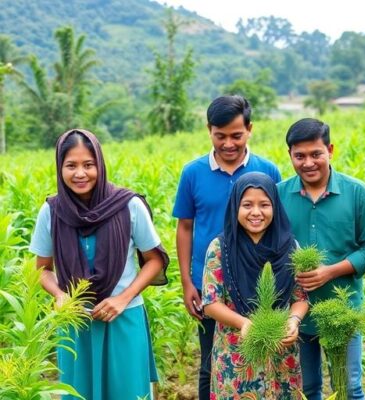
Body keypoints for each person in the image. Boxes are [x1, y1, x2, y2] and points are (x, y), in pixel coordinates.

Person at [29, 129, 169, 399]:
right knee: (79, 393)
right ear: (60, 168)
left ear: (100, 165)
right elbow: (43, 269)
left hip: (124, 316)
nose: (80, 173)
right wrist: (60, 296)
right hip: (76, 321)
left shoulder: (128, 205)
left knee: (128, 392)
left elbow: (154, 261)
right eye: (71, 165)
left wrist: (122, 299)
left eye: (88, 165)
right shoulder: (52, 211)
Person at [172, 95, 281, 399]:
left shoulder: (267, 171)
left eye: (236, 135)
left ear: (250, 129)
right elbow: (185, 227)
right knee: (210, 361)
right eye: (220, 136)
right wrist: (187, 282)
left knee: (263, 357)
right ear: (209, 130)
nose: (228, 143)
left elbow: (279, 226)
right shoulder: (193, 173)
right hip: (211, 286)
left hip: (260, 282)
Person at [277, 118, 365, 400]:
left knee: (349, 389)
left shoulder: (358, 193)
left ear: (330, 150)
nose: (308, 162)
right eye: (300, 156)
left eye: (316, 154)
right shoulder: (278, 195)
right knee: (305, 390)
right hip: (294, 315)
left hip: (343, 311)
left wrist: (331, 271)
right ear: (290, 155)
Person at [201, 172, 308, 399]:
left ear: (275, 207)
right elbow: (211, 303)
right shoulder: (221, 248)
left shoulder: (290, 247)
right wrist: (244, 323)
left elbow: (300, 298)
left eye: (264, 205)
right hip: (236, 354)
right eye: (247, 205)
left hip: (281, 353)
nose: (256, 212)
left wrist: (293, 320)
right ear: (235, 207)